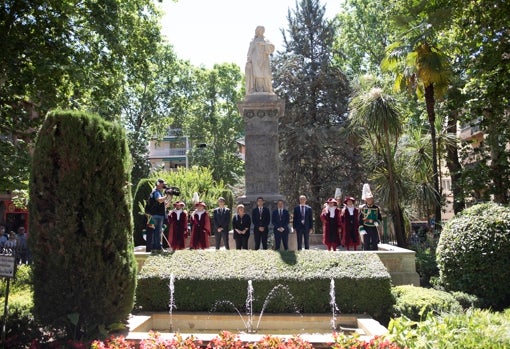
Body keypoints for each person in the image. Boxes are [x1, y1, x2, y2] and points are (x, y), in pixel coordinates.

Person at [245, 26, 275, 94]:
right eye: (260, 30)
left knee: (267, 74)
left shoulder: (266, 39)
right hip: (255, 60)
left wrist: (264, 44)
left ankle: (268, 89)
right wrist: (249, 60)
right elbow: (250, 51)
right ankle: (259, 90)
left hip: (264, 59)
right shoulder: (254, 41)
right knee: (258, 75)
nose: (261, 31)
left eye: (262, 30)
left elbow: (272, 47)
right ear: (257, 31)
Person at [146, 179, 172, 253]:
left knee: (156, 231)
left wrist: (169, 198)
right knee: (157, 231)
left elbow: (164, 205)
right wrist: (166, 196)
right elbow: (159, 200)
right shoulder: (156, 192)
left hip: (154, 215)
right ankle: (158, 248)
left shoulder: (157, 192)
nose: (164, 185)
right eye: (162, 184)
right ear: (158, 184)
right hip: (157, 215)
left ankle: (154, 248)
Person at [359, 184, 382, 251]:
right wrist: (361, 229)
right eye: (368, 199)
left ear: (372, 199)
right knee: (366, 243)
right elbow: (360, 219)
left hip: (374, 227)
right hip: (366, 227)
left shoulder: (376, 208)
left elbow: (379, 218)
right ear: (366, 200)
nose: (369, 200)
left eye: (370, 199)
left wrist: (377, 222)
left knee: (375, 242)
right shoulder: (363, 208)